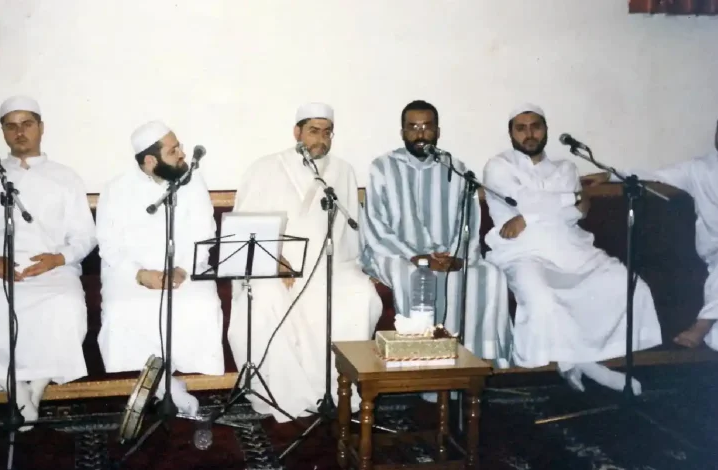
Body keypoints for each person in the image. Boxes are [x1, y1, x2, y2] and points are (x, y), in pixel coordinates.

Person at [481, 103, 662, 394]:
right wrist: (571, 197)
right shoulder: (498, 166)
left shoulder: (565, 168)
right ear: (511, 133)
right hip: (523, 252)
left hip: (571, 247)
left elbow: (576, 213)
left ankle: (582, 360)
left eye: (535, 126)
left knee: (626, 283)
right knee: (541, 299)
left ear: (546, 130)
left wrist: (528, 217)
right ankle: (588, 366)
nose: (529, 134)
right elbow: (525, 201)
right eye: (521, 128)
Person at [229, 103, 382, 422]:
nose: (321, 139)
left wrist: (360, 267)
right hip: (277, 266)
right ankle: (284, 396)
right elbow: (244, 228)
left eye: (327, 132)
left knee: (362, 294)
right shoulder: (265, 168)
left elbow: (350, 233)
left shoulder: (343, 170)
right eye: (313, 131)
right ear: (297, 132)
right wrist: (273, 259)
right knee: (265, 298)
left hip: (329, 265)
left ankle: (339, 391)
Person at [583, 105, 718, 393]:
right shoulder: (699, 169)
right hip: (716, 253)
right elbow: (651, 174)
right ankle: (706, 326)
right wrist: (610, 175)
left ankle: (705, 325)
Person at [0, 96, 96, 430]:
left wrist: (57, 258)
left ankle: (34, 388)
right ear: (3, 133)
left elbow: (85, 235)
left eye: (27, 124)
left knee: (67, 305)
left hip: (51, 271)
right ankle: (12, 385)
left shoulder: (65, 177)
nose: (19, 132)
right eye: (11, 126)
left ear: (41, 128)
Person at [359, 99, 513, 369]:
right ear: (402, 132)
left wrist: (456, 256)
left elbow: (469, 219)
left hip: (446, 253)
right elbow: (376, 223)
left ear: (437, 131)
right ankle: (422, 367)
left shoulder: (456, 169)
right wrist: (418, 257)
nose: (420, 134)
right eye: (413, 127)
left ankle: (472, 364)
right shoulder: (382, 167)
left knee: (489, 275)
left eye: (427, 127)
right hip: (395, 253)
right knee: (413, 276)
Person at [96, 121, 225, 416]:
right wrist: (141, 274)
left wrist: (182, 269)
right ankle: (166, 386)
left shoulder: (193, 181)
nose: (182, 154)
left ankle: (162, 380)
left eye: (179, 147)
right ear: (151, 161)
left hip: (185, 270)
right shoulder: (116, 189)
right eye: (173, 150)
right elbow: (108, 244)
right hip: (130, 275)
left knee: (201, 303)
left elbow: (205, 233)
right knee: (122, 308)